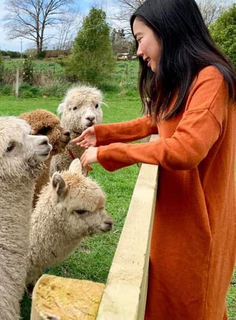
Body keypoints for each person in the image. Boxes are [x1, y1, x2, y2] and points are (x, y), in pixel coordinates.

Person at [73, 0, 236, 319]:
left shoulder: (211, 80)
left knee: (188, 305)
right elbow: (154, 121)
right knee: (158, 300)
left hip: (197, 227)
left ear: (168, 31)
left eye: (140, 37)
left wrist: (107, 153)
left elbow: (185, 148)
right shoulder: (185, 81)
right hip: (173, 216)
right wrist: (103, 134)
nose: (137, 50)